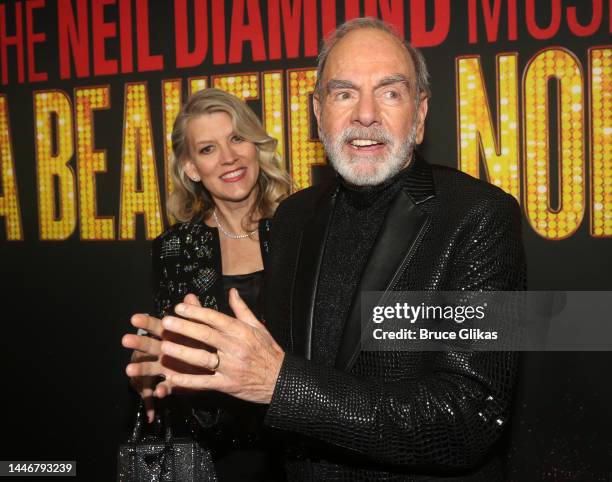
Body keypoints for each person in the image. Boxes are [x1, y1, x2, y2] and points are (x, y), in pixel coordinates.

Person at [126, 18, 526, 480]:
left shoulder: (478, 216)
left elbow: (467, 417)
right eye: (344, 93)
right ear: (318, 113)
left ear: (419, 115)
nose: (366, 114)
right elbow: (268, 409)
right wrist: (196, 378)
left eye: (390, 93)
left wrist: (283, 384)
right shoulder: (293, 219)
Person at [121, 88, 291, 481]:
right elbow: (172, 351)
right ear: (192, 167)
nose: (229, 157)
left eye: (236, 138)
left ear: (255, 146)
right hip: (218, 455)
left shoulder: (300, 228)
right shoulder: (175, 248)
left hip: (300, 445)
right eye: (208, 149)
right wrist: (150, 369)